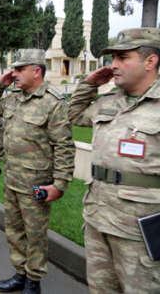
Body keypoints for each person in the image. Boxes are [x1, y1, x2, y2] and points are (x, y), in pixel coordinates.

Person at [68, 27, 160, 294]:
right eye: (113, 58)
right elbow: (73, 115)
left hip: (139, 231)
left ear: (150, 61)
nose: (113, 65)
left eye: (122, 58)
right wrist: (89, 84)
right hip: (98, 219)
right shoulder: (109, 101)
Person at [0, 49, 75, 294]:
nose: (14, 74)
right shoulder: (13, 97)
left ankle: (34, 281)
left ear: (37, 71)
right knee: (14, 231)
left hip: (36, 183)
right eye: (14, 69)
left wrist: (59, 184)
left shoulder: (52, 103)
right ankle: (20, 274)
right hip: (12, 179)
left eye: (19, 69)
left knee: (35, 235)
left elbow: (64, 146)